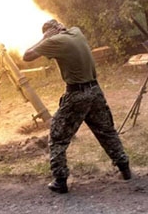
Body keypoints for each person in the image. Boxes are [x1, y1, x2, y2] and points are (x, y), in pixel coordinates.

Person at [23, 19, 131, 194]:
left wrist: (44, 39)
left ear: (49, 32)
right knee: (106, 131)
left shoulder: (54, 41)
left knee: (57, 137)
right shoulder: (76, 32)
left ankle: (60, 180)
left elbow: (27, 56)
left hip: (76, 95)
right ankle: (125, 169)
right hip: (95, 91)